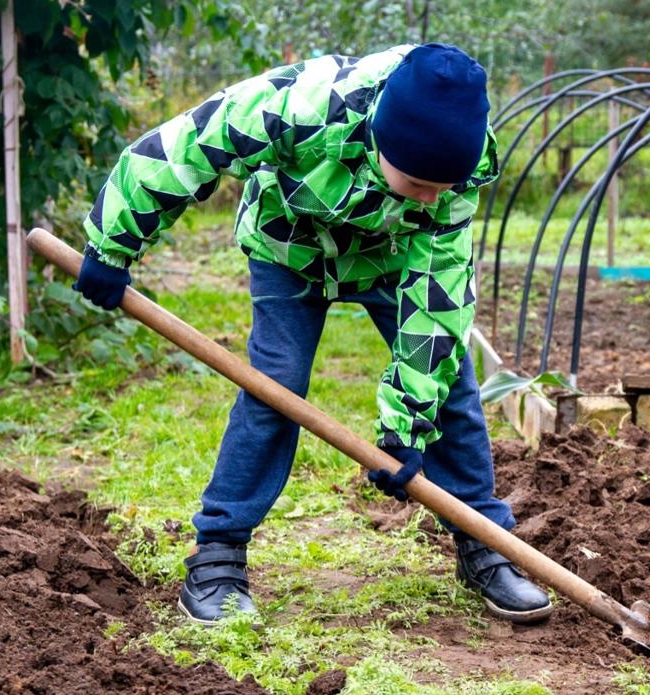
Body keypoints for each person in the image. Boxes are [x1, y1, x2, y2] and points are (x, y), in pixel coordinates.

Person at [72, 43, 551, 627]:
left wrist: (406, 426)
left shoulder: (461, 167)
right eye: (420, 181)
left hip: (393, 258)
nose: (433, 197)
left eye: (443, 187)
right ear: (381, 138)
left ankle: (484, 544)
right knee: (276, 385)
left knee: (453, 390)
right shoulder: (299, 106)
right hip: (289, 249)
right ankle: (218, 553)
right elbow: (184, 148)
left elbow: (438, 304)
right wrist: (112, 245)